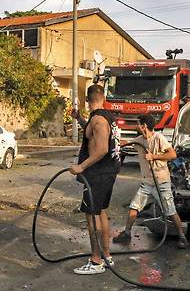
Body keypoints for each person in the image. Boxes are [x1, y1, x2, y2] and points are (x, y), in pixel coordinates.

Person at [113, 114, 189, 249]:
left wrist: (154, 156)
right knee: (134, 207)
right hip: (147, 183)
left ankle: (182, 237)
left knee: (170, 211)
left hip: (161, 183)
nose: (137, 126)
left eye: (138, 124)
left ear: (144, 126)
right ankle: (127, 233)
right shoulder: (140, 140)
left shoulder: (159, 138)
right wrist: (115, 140)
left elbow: (172, 154)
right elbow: (126, 143)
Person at [69, 84, 121, 275]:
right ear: (103, 98)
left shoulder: (98, 120)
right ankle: (106, 256)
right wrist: (79, 118)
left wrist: (80, 167)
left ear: (87, 100)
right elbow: (91, 135)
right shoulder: (105, 117)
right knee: (101, 212)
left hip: (97, 174)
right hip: (107, 173)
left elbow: (101, 149)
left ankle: (96, 261)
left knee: (92, 216)